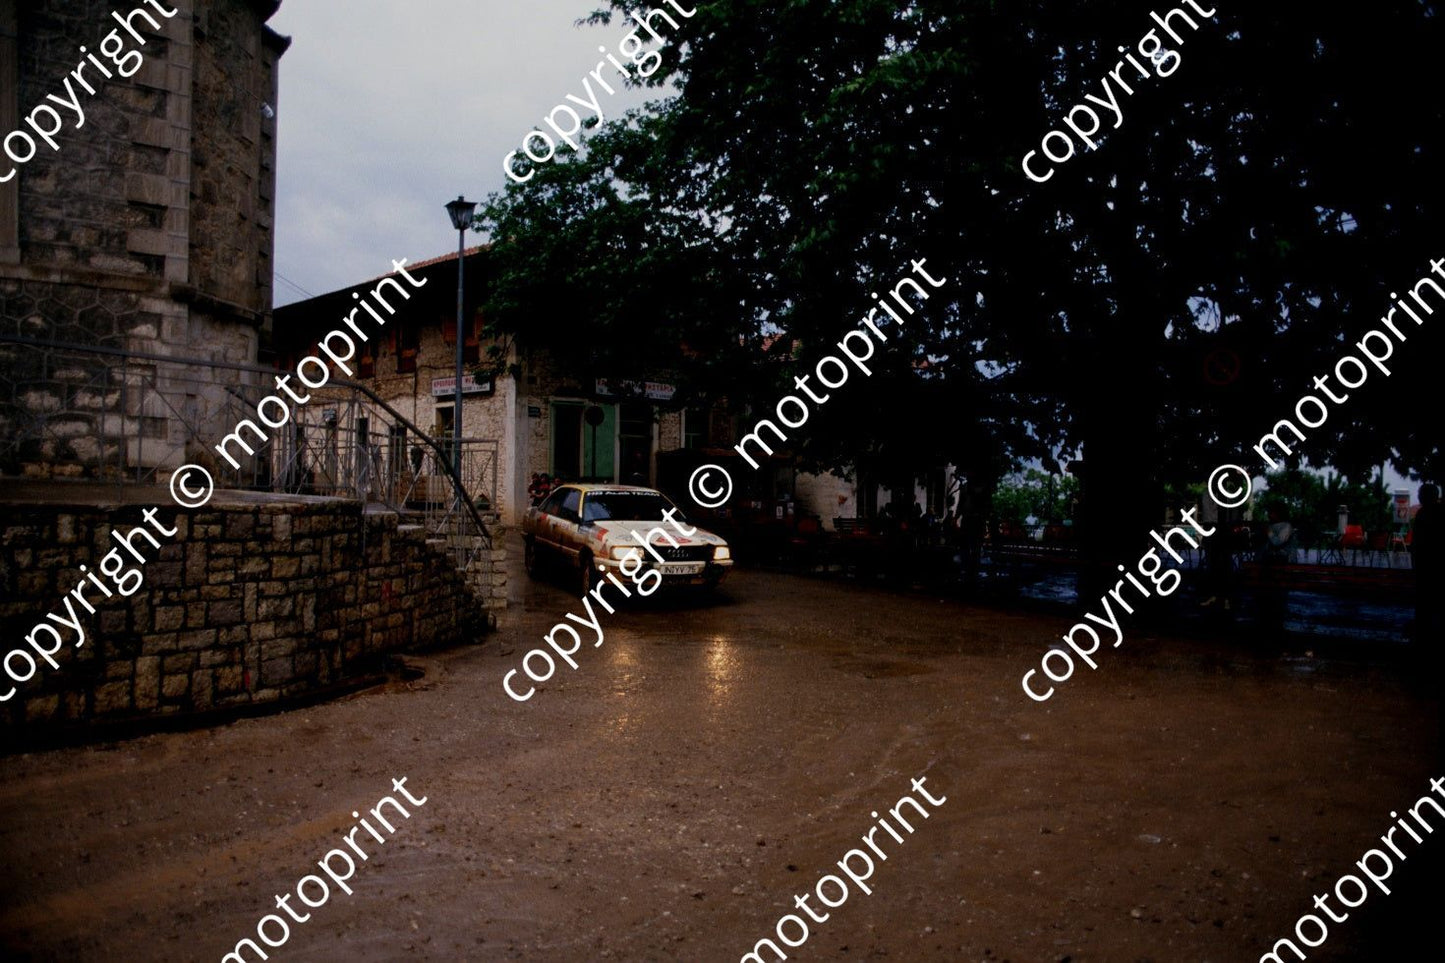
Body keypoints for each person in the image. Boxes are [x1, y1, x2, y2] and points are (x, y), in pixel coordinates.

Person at [1411, 483, 1441, 647]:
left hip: (1426, 566)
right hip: (1431, 565)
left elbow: (1417, 543)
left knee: (1424, 602)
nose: (1418, 495)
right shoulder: (1435, 513)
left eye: (1420, 493)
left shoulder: (1423, 515)